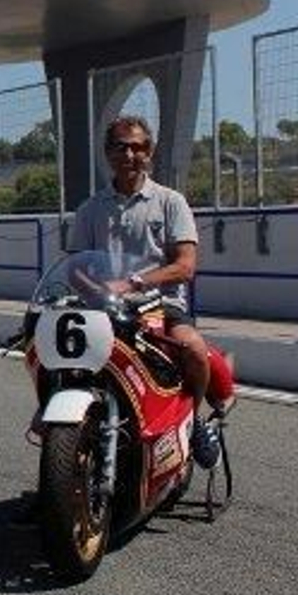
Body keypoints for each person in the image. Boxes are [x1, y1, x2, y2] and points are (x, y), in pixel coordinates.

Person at [69, 115, 222, 466]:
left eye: (138, 147)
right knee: (62, 355)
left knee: (194, 350)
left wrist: (135, 283)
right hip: (105, 310)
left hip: (162, 306)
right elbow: (76, 268)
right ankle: (56, 430)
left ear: (149, 152)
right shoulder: (90, 210)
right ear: (108, 153)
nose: (130, 155)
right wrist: (97, 290)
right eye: (121, 147)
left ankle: (193, 421)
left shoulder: (170, 202)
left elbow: (185, 266)